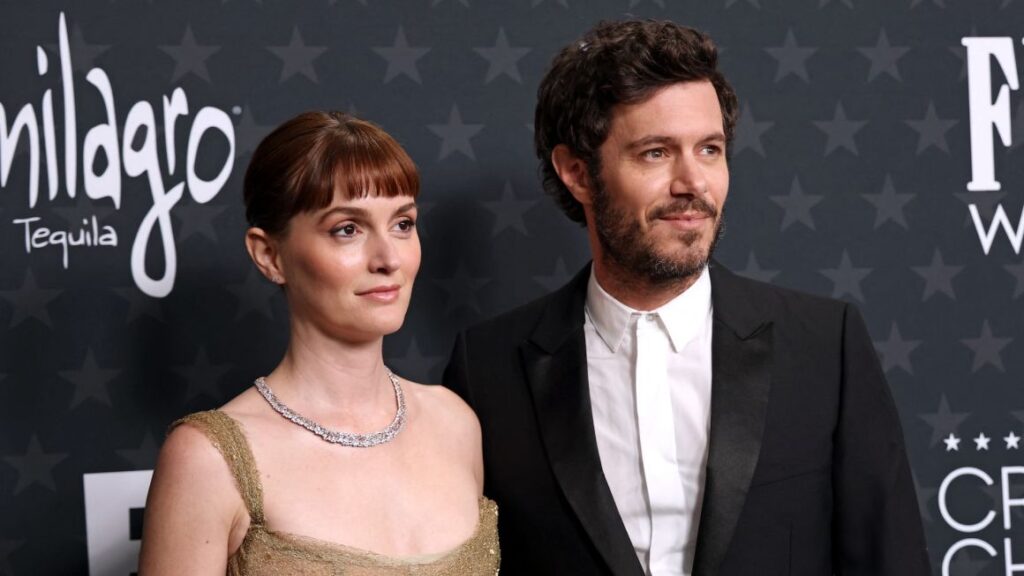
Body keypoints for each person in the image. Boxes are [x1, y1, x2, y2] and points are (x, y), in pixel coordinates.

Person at [443, 20, 930, 576]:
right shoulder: (488, 370)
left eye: (709, 149)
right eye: (655, 153)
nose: (693, 182)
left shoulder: (824, 346)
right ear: (577, 173)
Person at [140, 111, 499, 575]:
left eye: (403, 224)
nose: (389, 258)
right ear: (269, 255)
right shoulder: (208, 459)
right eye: (347, 229)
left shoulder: (456, 424)